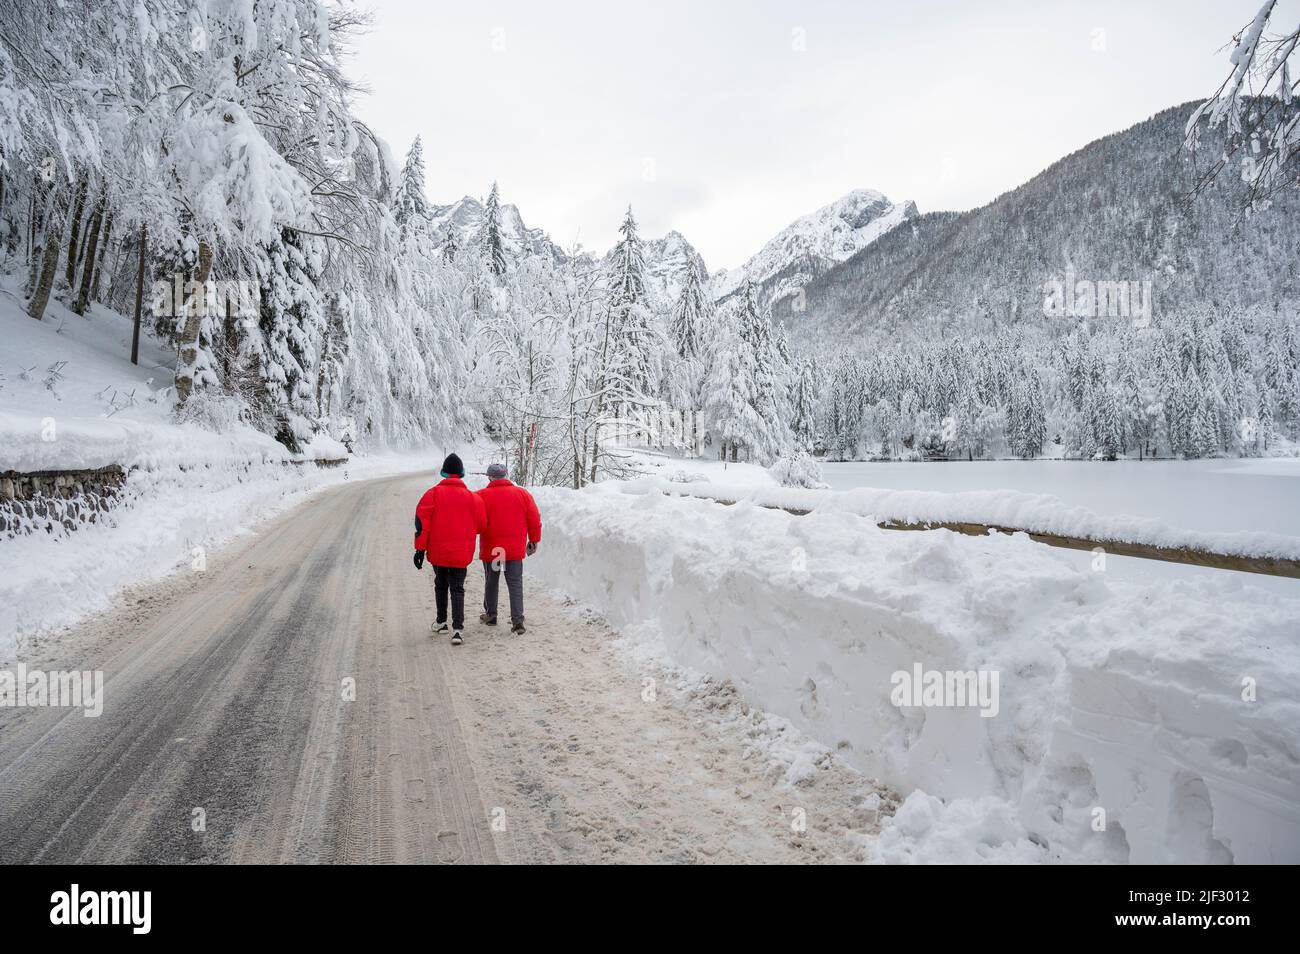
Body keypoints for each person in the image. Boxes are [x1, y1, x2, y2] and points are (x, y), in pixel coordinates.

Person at [412, 453, 485, 645]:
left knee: (441, 584)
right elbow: (481, 525)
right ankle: (458, 629)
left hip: (438, 551)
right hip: (461, 552)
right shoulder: (473, 498)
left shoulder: (432, 494)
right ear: (461, 473)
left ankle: (441, 622)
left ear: (444, 472)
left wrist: (419, 550)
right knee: (458, 588)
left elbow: (422, 525)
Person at [475, 462, 542, 634]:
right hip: (513, 550)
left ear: (489, 476)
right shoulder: (522, 494)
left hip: (495, 550)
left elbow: (476, 521)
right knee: (515, 583)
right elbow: (534, 519)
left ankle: (491, 614)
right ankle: (517, 621)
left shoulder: (481, 496)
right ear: (506, 476)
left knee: (492, 581)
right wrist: (533, 540)